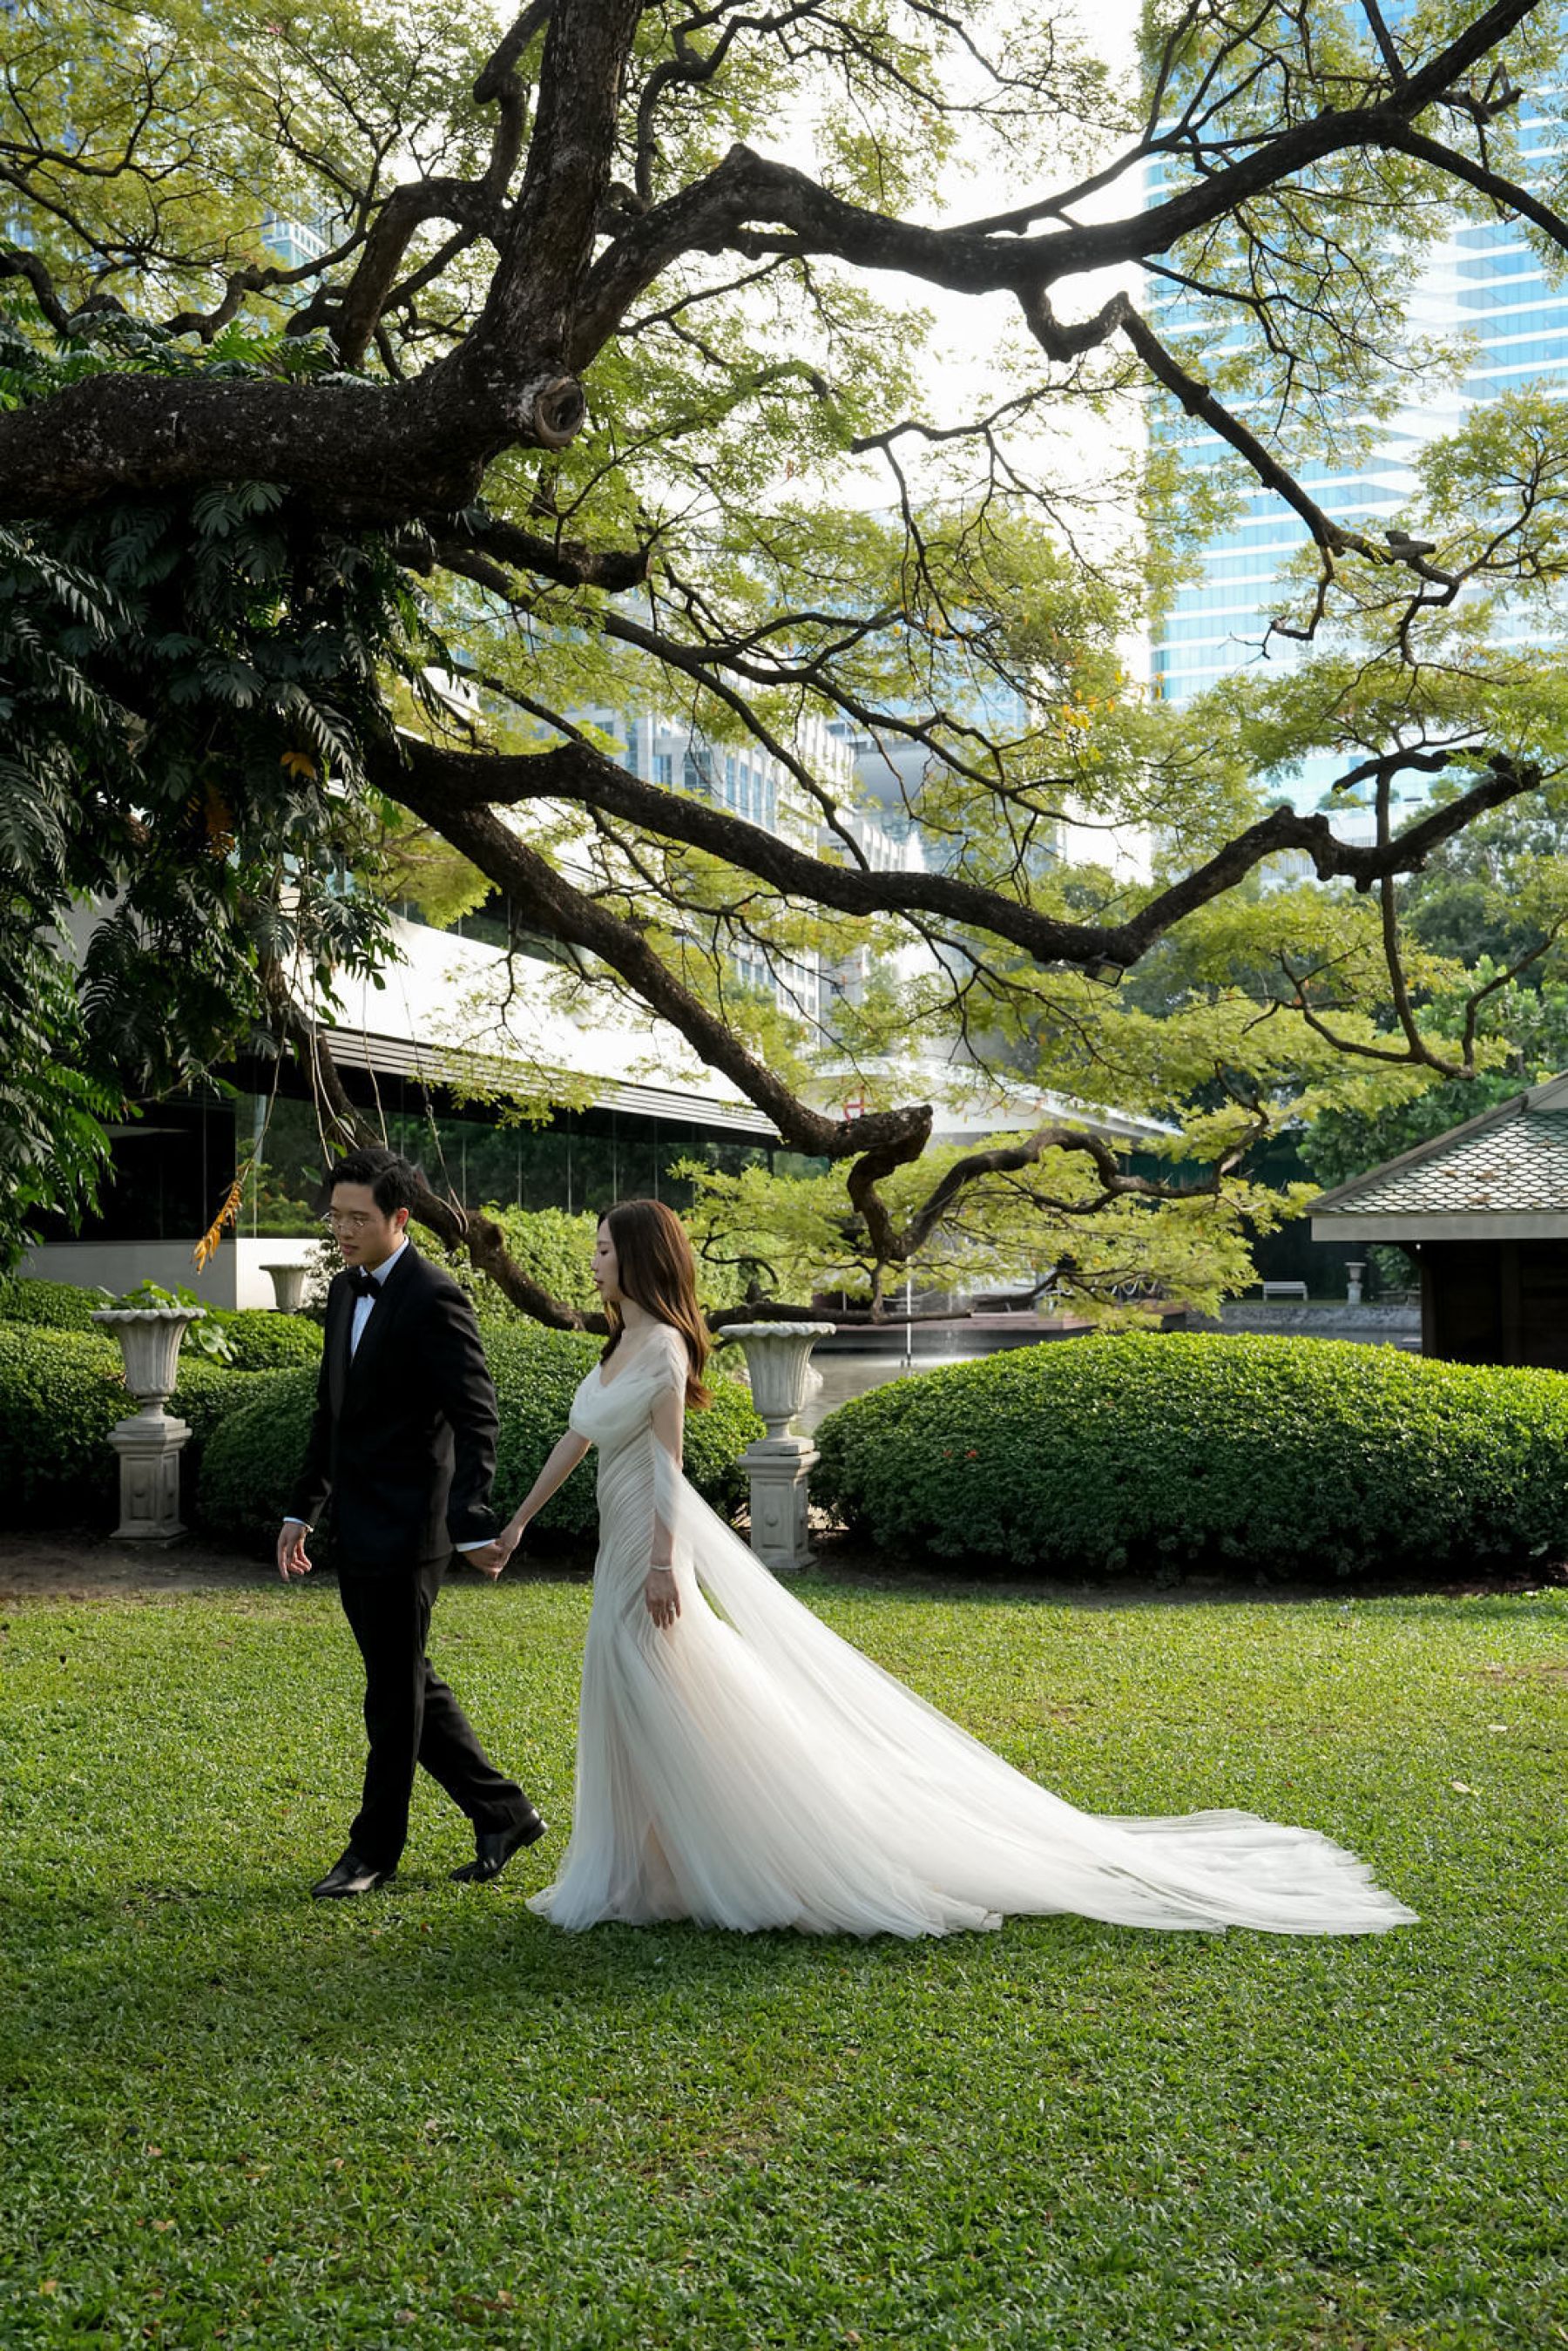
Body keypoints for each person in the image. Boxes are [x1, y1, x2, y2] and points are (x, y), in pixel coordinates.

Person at [500, 1198, 1416, 1940]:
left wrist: (665, 1561)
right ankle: (639, 1865)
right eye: (592, 1245)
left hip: (652, 1546)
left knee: (658, 1686)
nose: (593, 1258)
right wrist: (514, 1526)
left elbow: (665, 1464)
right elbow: (574, 1441)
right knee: (625, 1691)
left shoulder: (660, 1347)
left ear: (641, 1258)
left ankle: (726, 1852)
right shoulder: (617, 1343)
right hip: (619, 1542)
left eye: (603, 1246)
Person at [278, 1146, 545, 1899]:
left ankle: (372, 1852)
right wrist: (304, 1505)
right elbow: (330, 1412)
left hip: (412, 1528)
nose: (343, 1230)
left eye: (358, 1217)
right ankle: (504, 1811)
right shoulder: (341, 1291)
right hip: (354, 1522)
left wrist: (470, 1518)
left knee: (392, 1696)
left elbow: (477, 1412)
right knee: (407, 1681)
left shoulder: (436, 1295)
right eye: (336, 1215)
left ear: (400, 1217)